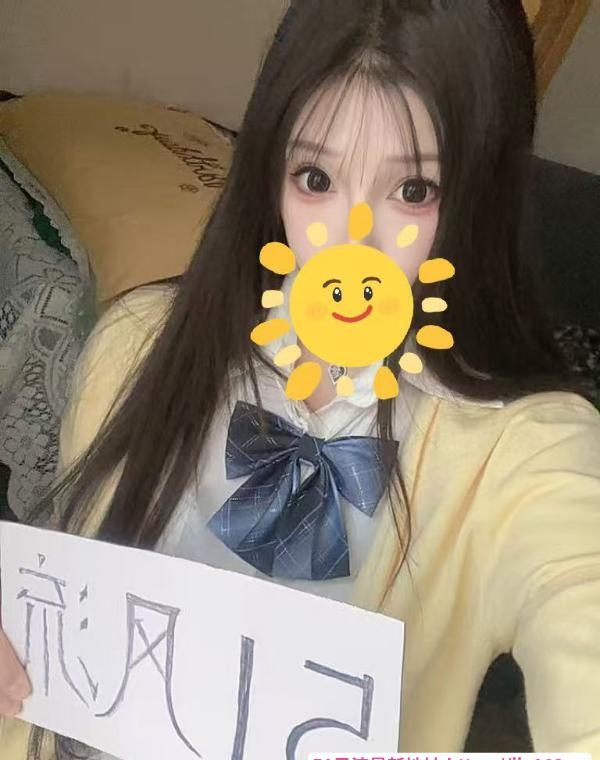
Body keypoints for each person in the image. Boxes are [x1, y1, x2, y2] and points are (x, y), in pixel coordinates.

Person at [2, 0, 600, 756]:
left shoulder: (526, 448)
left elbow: (578, 599)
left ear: (478, 199)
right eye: (315, 178)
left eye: (413, 192)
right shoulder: (137, 343)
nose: (350, 246)